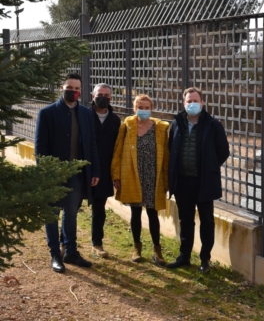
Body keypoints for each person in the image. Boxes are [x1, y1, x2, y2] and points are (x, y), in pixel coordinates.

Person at [35, 73, 100, 273]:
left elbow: (91, 144)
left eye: (76, 88)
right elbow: (40, 146)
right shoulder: (47, 113)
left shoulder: (87, 114)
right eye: (69, 87)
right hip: (54, 174)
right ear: (61, 88)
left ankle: (71, 251)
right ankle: (55, 253)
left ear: (81, 91)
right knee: (53, 213)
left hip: (77, 173)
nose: (73, 91)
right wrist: (46, 172)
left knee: (71, 213)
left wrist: (94, 169)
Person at [167, 87, 230, 274]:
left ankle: (205, 258)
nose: (192, 104)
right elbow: (172, 147)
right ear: (183, 103)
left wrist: (210, 166)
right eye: (189, 101)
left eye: (196, 101)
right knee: (186, 220)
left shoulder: (212, 125)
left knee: (207, 221)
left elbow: (223, 151)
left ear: (202, 103)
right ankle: (184, 256)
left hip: (204, 183)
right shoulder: (177, 123)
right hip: (182, 182)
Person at [111, 94, 169, 265]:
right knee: (135, 212)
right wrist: (116, 175)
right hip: (132, 175)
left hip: (153, 176)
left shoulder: (160, 128)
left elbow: (166, 156)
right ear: (134, 107)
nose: (143, 110)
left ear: (151, 108)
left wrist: (166, 180)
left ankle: (157, 251)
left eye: (146, 107)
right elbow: (118, 151)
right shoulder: (127, 126)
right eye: (140, 107)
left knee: (153, 213)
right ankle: (137, 248)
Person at [90, 83, 121, 257]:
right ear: (93, 96)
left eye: (107, 95)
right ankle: (66, 242)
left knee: (99, 209)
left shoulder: (115, 120)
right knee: (72, 207)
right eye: (99, 94)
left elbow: (117, 148)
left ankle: (97, 243)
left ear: (111, 98)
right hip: (84, 169)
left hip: (103, 171)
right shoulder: (85, 115)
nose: (103, 98)